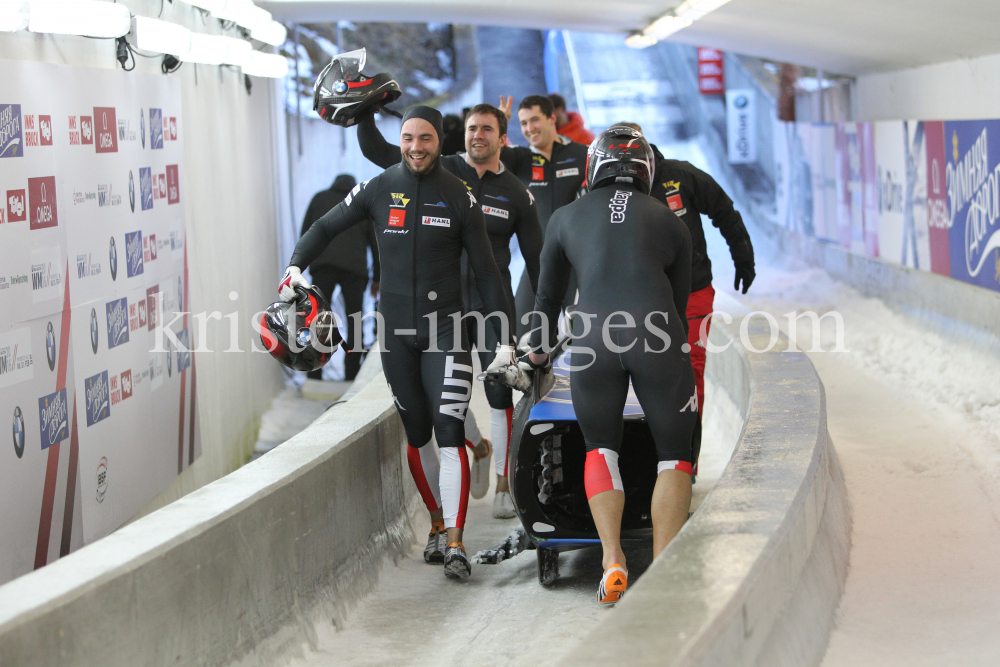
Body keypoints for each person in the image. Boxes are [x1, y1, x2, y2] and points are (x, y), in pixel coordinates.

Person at [280, 106, 512, 581]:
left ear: (438, 142)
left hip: (445, 331)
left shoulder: (459, 196)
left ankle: (455, 541)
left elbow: (488, 274)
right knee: (417, 433)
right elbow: (325, 227)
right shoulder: (379, 187)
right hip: (397, 334)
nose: (415, 148)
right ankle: (436, 522)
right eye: (407, 138)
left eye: (424, 139)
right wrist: (296, 265)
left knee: (448, 431)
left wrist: (504, 340)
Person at [523, 127, 697, 604]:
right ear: (647, 171)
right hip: (657, 337)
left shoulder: (564, 217)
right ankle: (663, 572)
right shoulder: (669, 220)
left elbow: (545, 299)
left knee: (601, 448)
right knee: (674, 456)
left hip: (593, 340)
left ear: (592, 168)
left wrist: (536, 354)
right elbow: (678, 311)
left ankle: (612, 559)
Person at [357, 104, 543, 519]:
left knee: (498, 393)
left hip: (490, 306)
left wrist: (540, 322)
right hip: (440, 310)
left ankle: (503, 485)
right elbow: (377, 150)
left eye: (487, 130)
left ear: (501, 137)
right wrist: (367, 109)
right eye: (472, 128)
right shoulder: (439, 168)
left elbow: (538, 263)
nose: (478, 135)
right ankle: (477, 447)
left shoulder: (515, 193)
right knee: (439, 400)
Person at [612, 122, 755, 473]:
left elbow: (724, 211)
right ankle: (641, 458)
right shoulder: (610, 189)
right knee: (637, 373)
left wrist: (743, 257)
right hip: (637, 299)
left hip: (693, 293)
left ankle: (685, 460)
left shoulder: (682, 175)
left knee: (690, 372)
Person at [495, 94, 590, 338]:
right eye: (523, 123)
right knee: (519, 336)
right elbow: (481, 156)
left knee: (587, 337)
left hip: (578, 264)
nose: (528, 129)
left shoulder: (583, 155)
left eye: (534, 120)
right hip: (538, 264)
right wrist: (499, 123)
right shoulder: (520, 159)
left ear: (551, 119)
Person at [299, 174, 380, 381]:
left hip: (323, 267)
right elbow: (376, 242)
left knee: (318, 320)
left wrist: (300, 267)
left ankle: (315, 374)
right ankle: (351, 375)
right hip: (354, 270)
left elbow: (306, 234)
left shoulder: (319, 199)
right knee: (355, 321)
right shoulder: (361, 203)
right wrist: (377, 278)